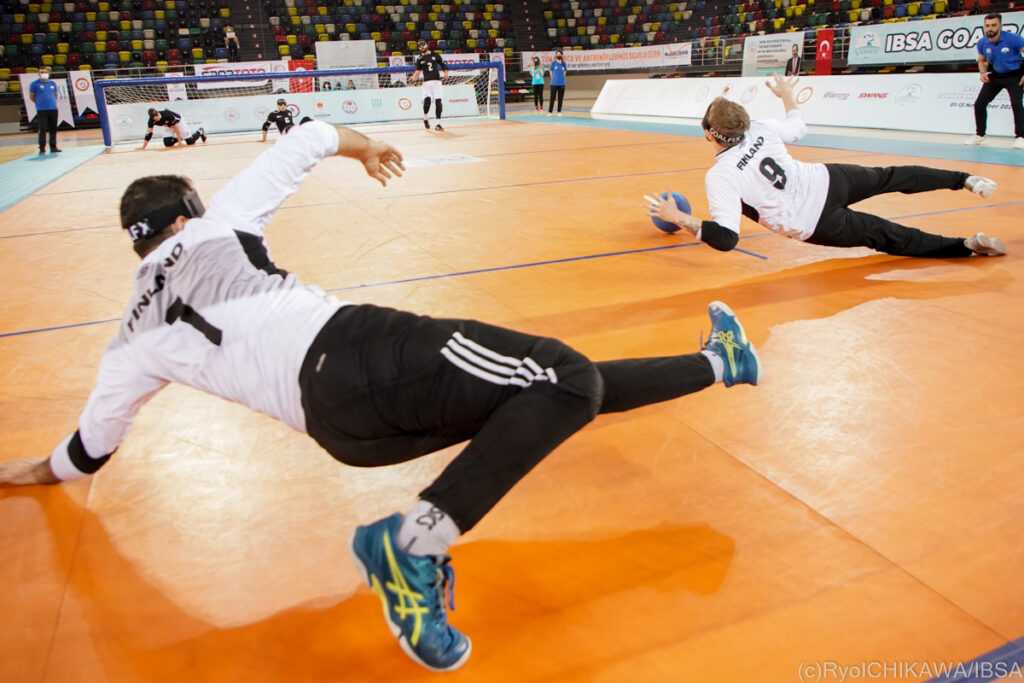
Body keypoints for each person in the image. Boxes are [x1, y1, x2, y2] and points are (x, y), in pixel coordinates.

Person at [0, 120, 762, 672]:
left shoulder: (129, 336)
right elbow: (306, 138)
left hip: (341, 428)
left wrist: (20, 470)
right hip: (359, 349)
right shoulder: (216, 226)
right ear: (183, 213)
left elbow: (84, 451)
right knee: (562, 378)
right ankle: (411, 545)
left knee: (542, 392)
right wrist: (365, 148)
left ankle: (716, 363)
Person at [646, 75, 1008, 258]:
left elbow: (726, 239)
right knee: (892, 175)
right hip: (829, 180)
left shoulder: (721, 175)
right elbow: (799, 127)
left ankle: (965, 246)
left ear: (711, 135)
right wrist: (787, 95)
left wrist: (678, 216)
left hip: (813, 222)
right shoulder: (762, 128)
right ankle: (966, 179)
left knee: (883, 234)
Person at [963, 13, 1024, 149]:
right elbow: (982, 60)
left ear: (1001, 26)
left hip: (1015, 75)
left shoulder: (1014, 39)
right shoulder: (982, 42)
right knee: (979, 104)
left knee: (1016, 104)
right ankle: (980, 135)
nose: (990, 28)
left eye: (994, 25)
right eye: (987, 25)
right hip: (996, 75)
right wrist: (983, 72)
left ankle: (1021, 137)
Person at [412, 39, 449, 131]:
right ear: (418, 48)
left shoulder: (435, 55)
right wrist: (412, 78)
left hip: (437, 81)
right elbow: (417, 72)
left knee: (438, 102)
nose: (422, 47)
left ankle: (438, 123)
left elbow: (443, 65)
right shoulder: (419, 59)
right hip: (426, 82)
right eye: (420, 46)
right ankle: (425, 118)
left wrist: (446, 73)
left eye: (423, 45)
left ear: (426, 45)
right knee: (427, 101)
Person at [29, 66, 61, 155]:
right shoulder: (34, 84)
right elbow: (31, 96)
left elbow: (55, 94)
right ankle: (42, 148)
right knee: (42, 129)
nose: (44, 74)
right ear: (38, 74)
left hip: (53, 109)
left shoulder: (52, 83)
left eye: (45, 72)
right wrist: (39, 103)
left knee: (53, 128)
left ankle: (53, 147)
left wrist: (52, 103)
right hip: (42, 110)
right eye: (42, 72)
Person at [141, 108, 206, 150]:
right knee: (167, 143)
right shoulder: (151, 121)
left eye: (157, 117)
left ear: (158, 113)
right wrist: (143, 147)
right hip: (168, 126)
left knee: (190, 142)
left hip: (179, 123)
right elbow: (149, 133)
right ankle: (182, 137)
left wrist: (179, 143)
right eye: (154, 119)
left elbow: (176, 128)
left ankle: (200, 131)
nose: (157, 119)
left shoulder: (167, 114)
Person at [547, 50, 567, 116]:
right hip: (553, 83)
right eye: (557, 54)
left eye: (559, 54)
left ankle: (559, 111)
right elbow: (551, 71)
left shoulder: (564, 64)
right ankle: (550, 112)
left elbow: (564, 72)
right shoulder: (553, 63)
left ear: (562, 55)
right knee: (552, 98)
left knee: (560, 98)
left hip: (562, 84)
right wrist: (553, 79)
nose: (558, 55)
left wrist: (561, 79)